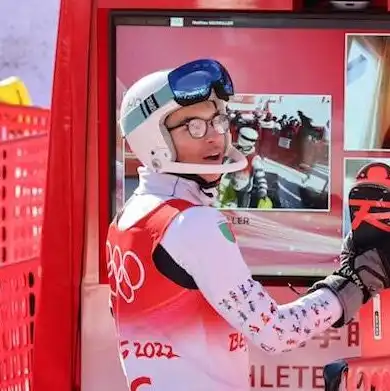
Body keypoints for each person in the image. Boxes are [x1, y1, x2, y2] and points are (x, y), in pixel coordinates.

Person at [107, 58, 390, 391]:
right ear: (152, 138)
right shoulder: (191, 224)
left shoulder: (127, 220)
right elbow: (278, 333)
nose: (215, 137)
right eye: (194, 126)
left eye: (218, 120)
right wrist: (354, 282)